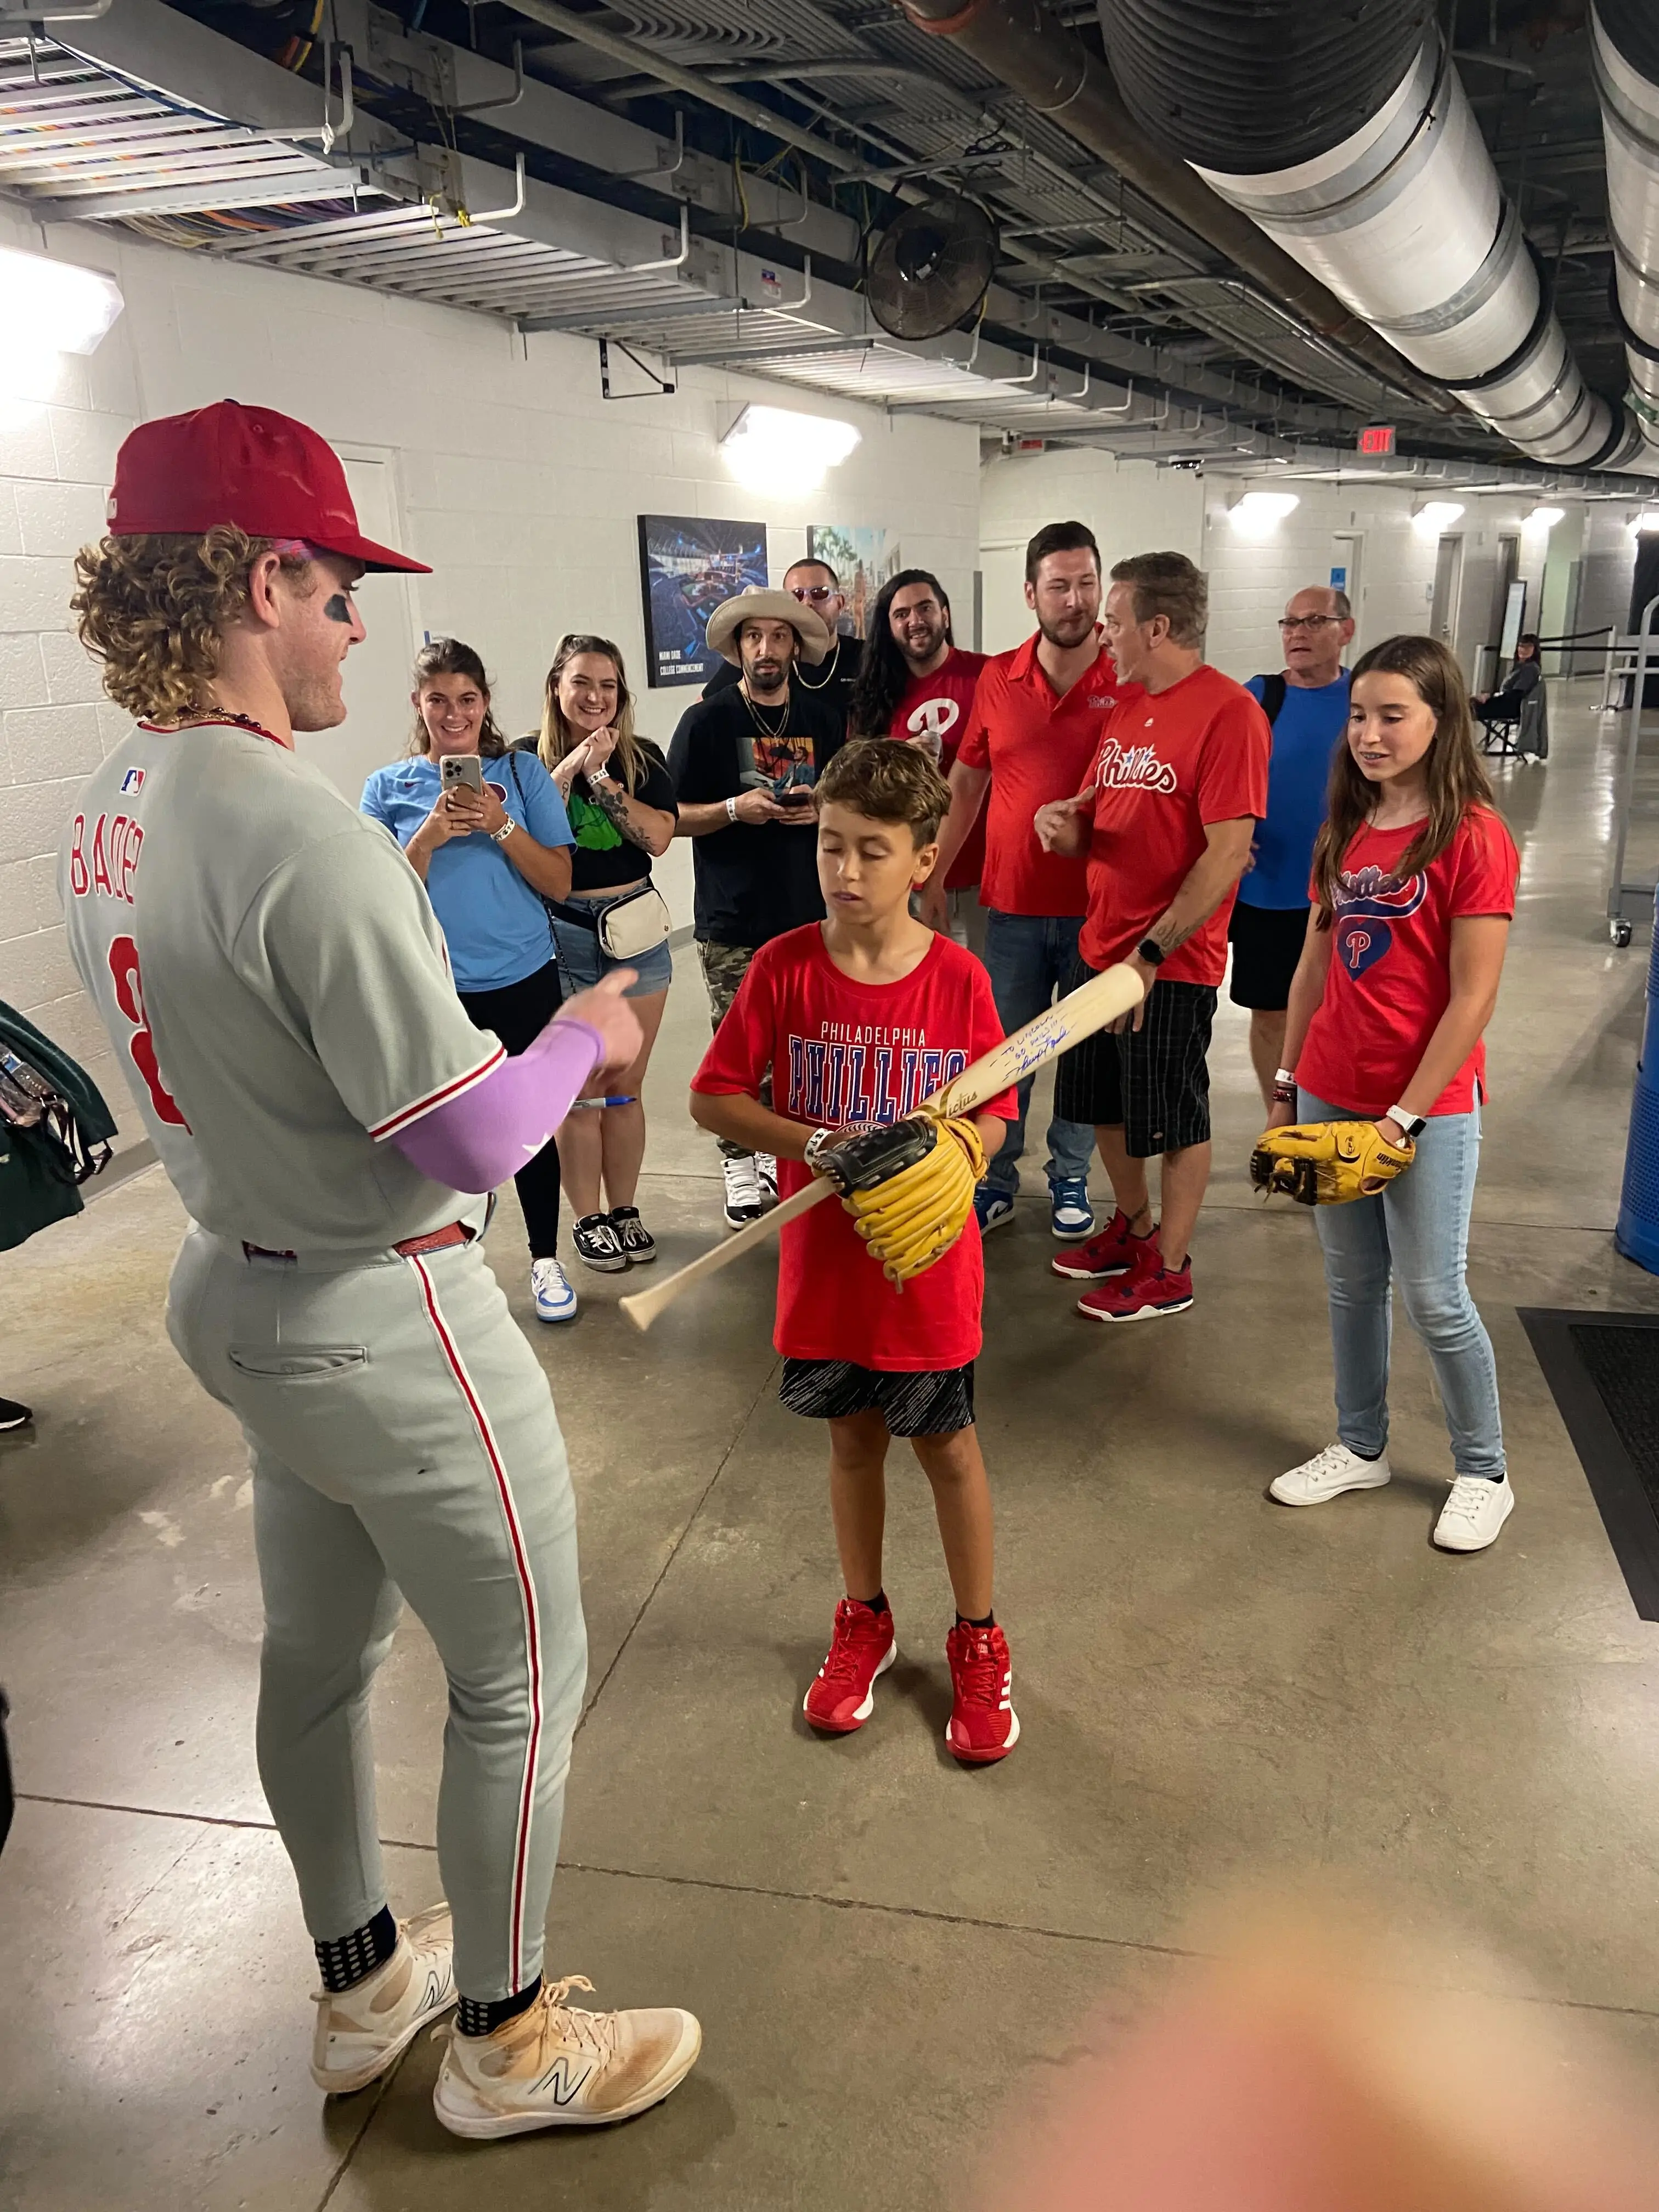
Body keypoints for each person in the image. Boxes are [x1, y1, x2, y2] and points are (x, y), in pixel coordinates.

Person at [63, 399, 699, 2140]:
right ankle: (503, 2041)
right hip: (386, 1304)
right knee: (522, 1677)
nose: (358, 625)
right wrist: (586, 1032)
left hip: (237, 1290)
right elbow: (474, 1140)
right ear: (263, 580)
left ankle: (363, 1992)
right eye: (340, 590)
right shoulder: (300, 828)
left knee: (320, 1661)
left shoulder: (117, 796)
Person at [689, 740, 1021, 1763]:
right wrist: (816, 1143)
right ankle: (863, 1617)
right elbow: (713, 1095)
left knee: (946, 1448)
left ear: (921, 861)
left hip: (924, 1273)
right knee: (848, 1443)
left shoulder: (958, 979)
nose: (843, 871)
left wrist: (959, 1145)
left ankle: (976, 1639)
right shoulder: (784, 970)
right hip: (825, 1272)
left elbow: (998, 1107)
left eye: (871, 851)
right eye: (830, 846)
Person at [1264, 634, 1519, 1554]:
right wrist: (1287, 1086)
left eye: (1391, 715)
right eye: (1359, 716)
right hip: (1331, 1089)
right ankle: (1359, 1444)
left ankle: (1482, 1469)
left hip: (1427, 1109)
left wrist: (1402, 1119)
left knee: (1433, 1294)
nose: (1368, 734)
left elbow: (1472, 995)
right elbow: (1309, 967)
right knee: (1348, 1284)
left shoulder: (1472, 836)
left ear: (1439, 719)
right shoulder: (1343, 827)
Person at [1037, 551, 1270, 1323]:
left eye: (1116, 619)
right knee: (1099, 1106)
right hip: (1102, 948)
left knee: (1174, 1117)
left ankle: (1171, 1266)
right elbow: (1098, 830)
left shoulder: (1229, 713)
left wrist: (1151, 956)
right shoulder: (1125, 709)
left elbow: (1228, 853)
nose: (1104, 632)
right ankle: (1133, 1231)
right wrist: (1060, 828)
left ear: (1158, 627)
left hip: (1166, 964)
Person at [362, 640, 582, 1324]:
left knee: (528, 1125)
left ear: (485, 703)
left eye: (467, 699)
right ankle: (450, 1265)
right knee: (441, 1130)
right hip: (436, 984)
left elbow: (560, 882)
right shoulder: (386, 787)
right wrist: (425, 839)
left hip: (524, 977)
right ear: (418, 705)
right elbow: (377, 898)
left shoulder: (520, 774)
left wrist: (500, 823)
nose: (453, 714)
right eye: (438, 700)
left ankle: (545, 1258)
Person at [921, 521, 1128, 1243]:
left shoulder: (1127, 678)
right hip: (1008, 908)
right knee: (1005, 1053)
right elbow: (968, 783)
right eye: (1059, 586)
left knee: (1081, 1055)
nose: (1075, 601)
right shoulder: (998, 679)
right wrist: (935, 871)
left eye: (1086, 583)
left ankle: (1070, 1176)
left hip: (1099, 911)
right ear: (1031, 593)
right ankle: (998, 1178)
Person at [667, 585, 842, 1228]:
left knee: (804, 1048)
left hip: (810, 913)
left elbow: (849, 800)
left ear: (795, 645)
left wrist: (824, 809)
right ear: (738, 648)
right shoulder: (707, 722)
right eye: (753, 637)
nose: (766, 649)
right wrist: (734, 810)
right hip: (733, 916)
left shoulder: (825, 717)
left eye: (778, 636)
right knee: (740, 1048)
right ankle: (739, 1162)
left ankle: (780, 1154)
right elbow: (671, 819)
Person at [516, 634, 677, 1274]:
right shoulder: (525, 760)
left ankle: (625, 1208)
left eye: (608, 685)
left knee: (625, 1087)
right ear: (558, 686)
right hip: (563, 935)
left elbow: (658, 837)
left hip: (635, 931)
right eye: (582, 682)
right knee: (578, 1090)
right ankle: (587, 1217)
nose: (595, 697)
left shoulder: (643, 758)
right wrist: (569, 768)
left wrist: (602, 777)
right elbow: (528, 836)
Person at [1231, 585, 1356, 1113]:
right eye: (1289, 624)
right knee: (1272, 1013)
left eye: (1313, 622)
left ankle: (1333, 1112)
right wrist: (1225, 837)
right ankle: (1281, 1116)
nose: (1297, 634)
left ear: (1345, 631)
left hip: (1348, 890)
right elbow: (1206, 773)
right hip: (1270, 890)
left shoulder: (1364, 698)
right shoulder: (1258, 697)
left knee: (1341, 1011)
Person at [848, 567, 989, 951]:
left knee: (983, 1000)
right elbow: (857, 786)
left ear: (945, 613)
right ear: (889, 626)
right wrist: (898, 757)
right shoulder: (876, 695)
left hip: (982, 877)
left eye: (925, 608)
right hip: (903, 877)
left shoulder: (987, 676)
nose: (915, 621)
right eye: (902, 614)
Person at [704, 556, 856, 731]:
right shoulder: (756, 661)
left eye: (819, 593)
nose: (807, 602)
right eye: (796, 595)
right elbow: (704, 708)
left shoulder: (866, 656)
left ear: (840, 602)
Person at [1473, 632, 1542, 758]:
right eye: (1521, 646)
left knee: (1465, 708)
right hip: (1505, 703)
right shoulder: (1521, 667)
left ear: (1535, 650)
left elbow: (1515, 695)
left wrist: (1491, 698)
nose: (1523, 650)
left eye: (1528, 647)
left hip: (1511, 708)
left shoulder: (1530, 669)